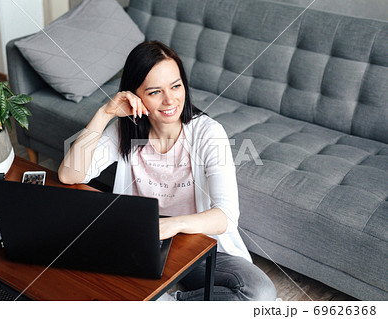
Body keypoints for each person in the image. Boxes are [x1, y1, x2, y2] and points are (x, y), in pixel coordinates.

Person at [58, 41, 276, 301]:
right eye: (154, 92)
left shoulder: (208, 133)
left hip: (195, 244)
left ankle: (165, 304)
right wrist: (105, 113)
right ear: (135, 95)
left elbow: (227, 216)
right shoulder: (125, 131)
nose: (170, 99)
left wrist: (171, 226)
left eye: (175, 86)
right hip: (140, 242)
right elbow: (69, 175)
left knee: (260, 292)